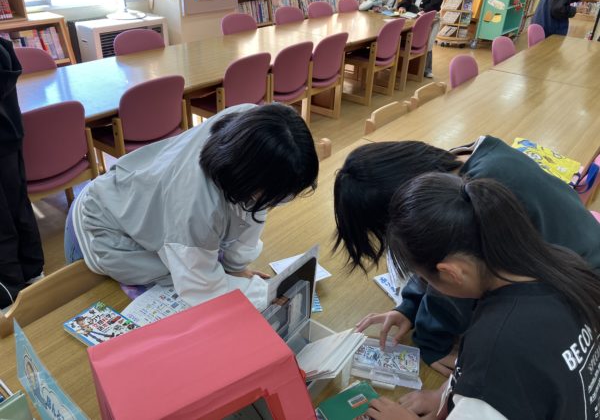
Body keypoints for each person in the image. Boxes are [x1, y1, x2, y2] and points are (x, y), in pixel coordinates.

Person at [334, 137, 600, 375]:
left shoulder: (474, 204)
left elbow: (458, 287)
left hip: (581, 298)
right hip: (576, 263)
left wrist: (431, 341)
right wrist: (410, 307)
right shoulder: (472, 164)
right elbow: (431, 259)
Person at [364, 173, 600, 419]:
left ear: (452, 273)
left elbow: (497, 374)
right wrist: (448, 395)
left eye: (425, 280)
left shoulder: (497, 345)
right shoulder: (562, 261)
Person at [65, 103, 319, 311]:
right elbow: (202, 289)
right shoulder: (195, 208)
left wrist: (237, 268)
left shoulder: (254, 125)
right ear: (247, 179)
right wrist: (266, 294)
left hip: (139, 196)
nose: (277, 203)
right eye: (276, 196)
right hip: (104, 227)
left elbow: (251, 211)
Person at [0, 38, 44, 309]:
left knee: (7, 218)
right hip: (9, 138)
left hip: (6, 141)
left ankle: (9, 289)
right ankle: (32, 272)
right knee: (17, 208)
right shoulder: (3, 49)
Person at [397, 0, 446, 78]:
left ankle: (426, 68)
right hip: (412, 12)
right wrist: (403, 5)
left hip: (428, 13)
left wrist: (426, 10)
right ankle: (400, 66)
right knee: (401, 31)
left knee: (427, 40)